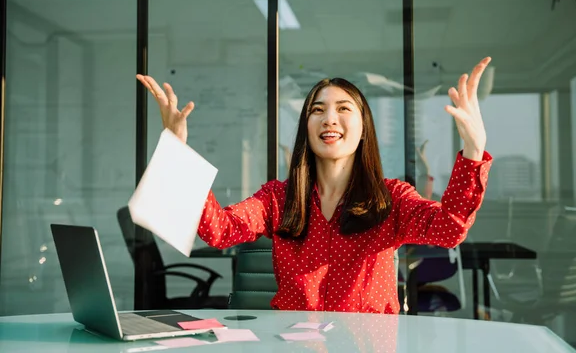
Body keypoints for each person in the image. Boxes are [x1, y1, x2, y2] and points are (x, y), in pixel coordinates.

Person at [136, 57, 494, 314]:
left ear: (363, 126)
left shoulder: (392, 199)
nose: (330, 119)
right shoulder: (278, 197)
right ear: (306, 127)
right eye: (317, 110)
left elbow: (449, 229)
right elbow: (218, 230)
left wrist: (473, 151)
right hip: (291, 344)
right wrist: (177, 149)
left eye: (343, 108)